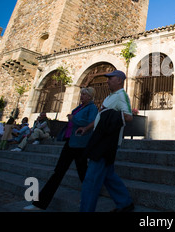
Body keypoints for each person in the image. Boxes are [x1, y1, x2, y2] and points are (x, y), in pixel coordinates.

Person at [23, 87, 98, 211]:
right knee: (59, 172)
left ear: (90, 96)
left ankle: (89, 194)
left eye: (84, 94)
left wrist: (74, 119)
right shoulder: (79, 107)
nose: (81, 96)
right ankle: (39, 203)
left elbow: (91, 122)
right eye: (81, 94)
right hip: (70, 142)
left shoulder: (92, 108)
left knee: (82, 172)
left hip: (80, 144)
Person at [79, 70, 134, 212]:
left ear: (120, 80)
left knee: (91, 180)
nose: (107, 81)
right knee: (108, 176)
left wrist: (108, 113)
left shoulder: (122, 95)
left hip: (106, 143)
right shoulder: (110, 97)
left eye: (111, 78)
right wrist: (87, 128)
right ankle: (125, 203)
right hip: (100, 140)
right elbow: (101, 116)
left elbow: (128, 117)